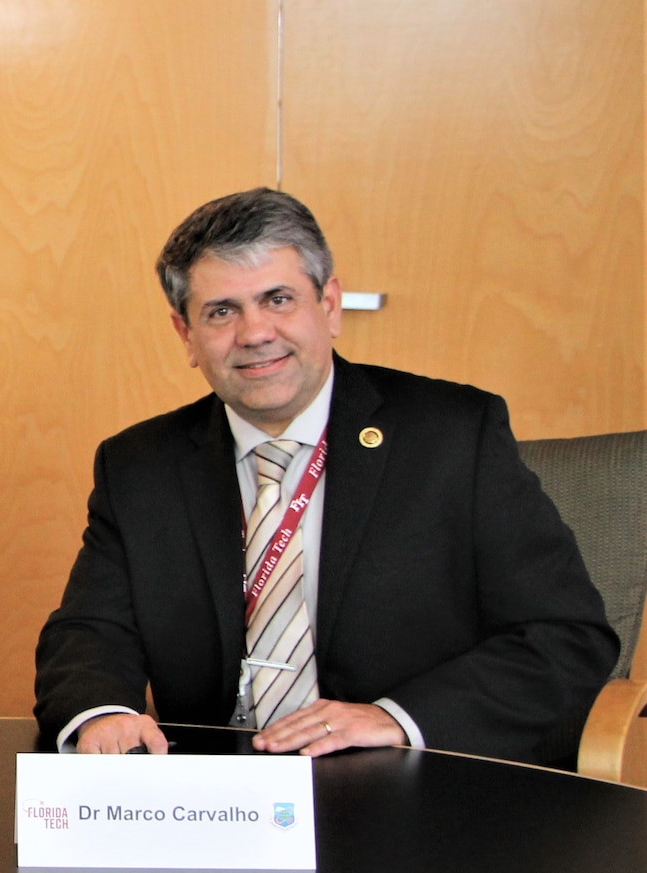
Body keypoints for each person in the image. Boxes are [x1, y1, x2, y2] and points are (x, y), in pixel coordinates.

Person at [34, 189, 615, 768]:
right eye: (221, 311)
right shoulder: (139, 464)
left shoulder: (453, 436)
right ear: (185, 335)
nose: (254, 333)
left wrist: (396, 718)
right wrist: (101, 712)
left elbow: (565, 636)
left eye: (278, 299)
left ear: (330, 305)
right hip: (222, 800)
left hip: (411, 784)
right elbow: (90, 630)